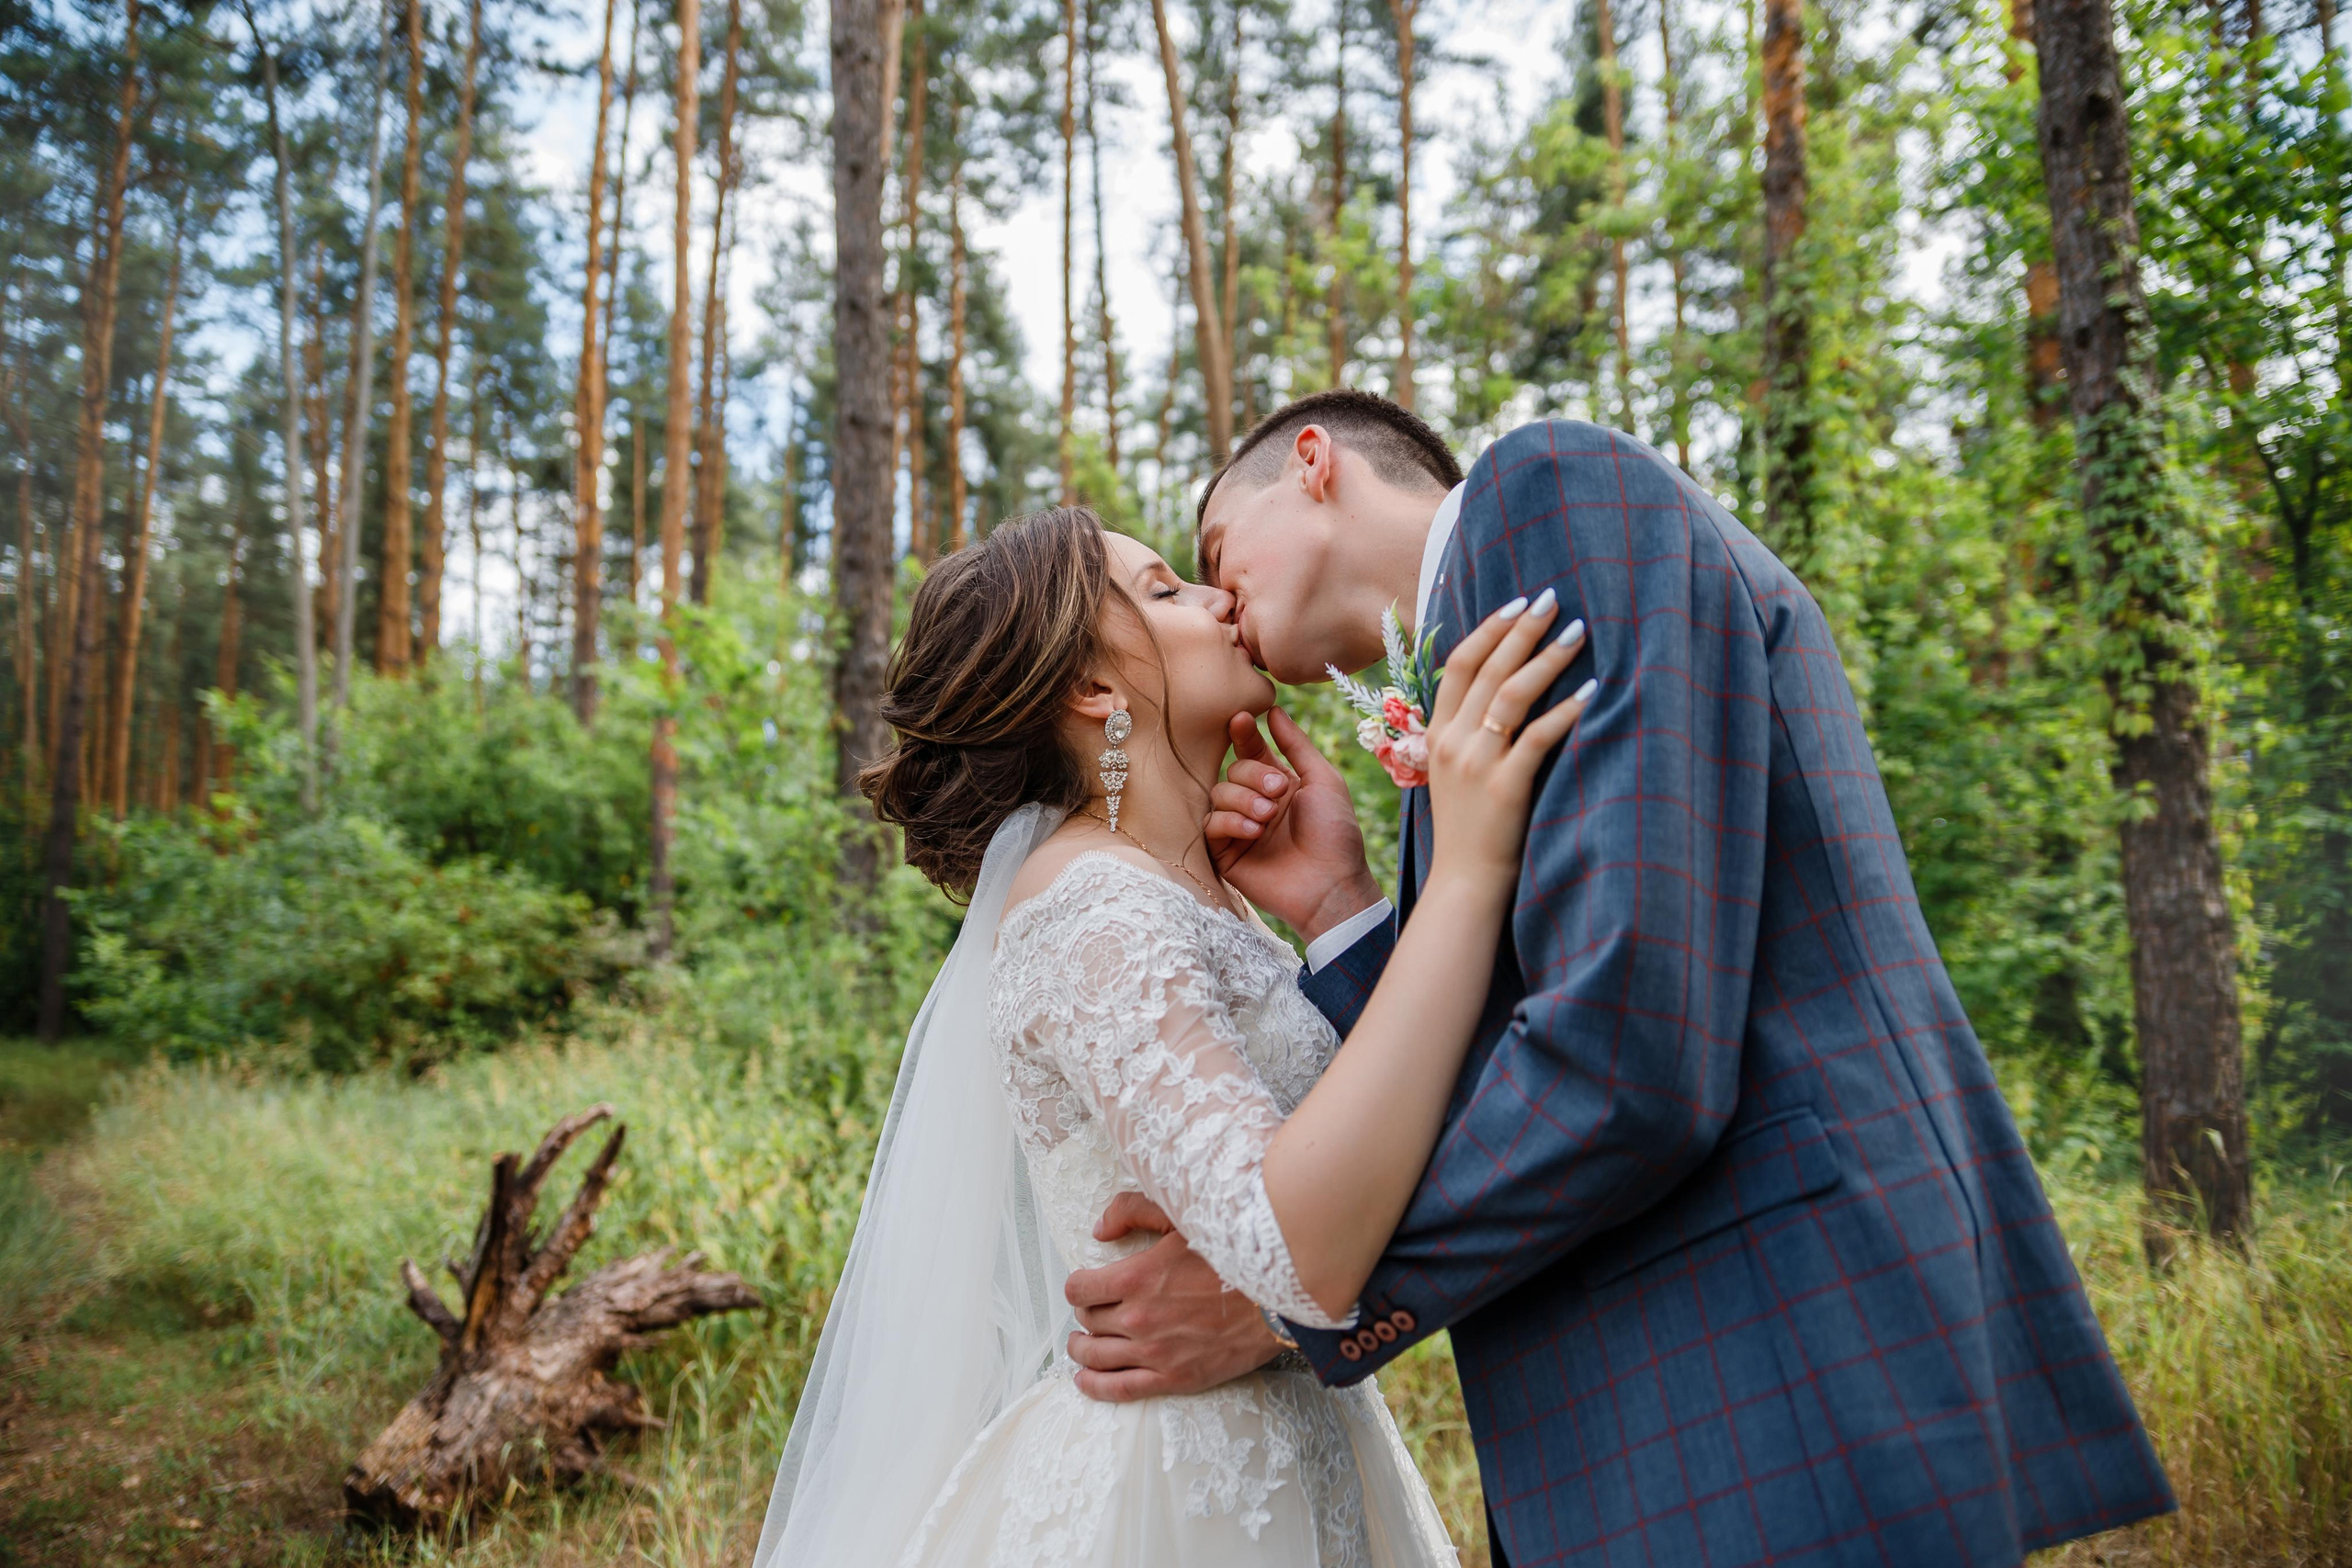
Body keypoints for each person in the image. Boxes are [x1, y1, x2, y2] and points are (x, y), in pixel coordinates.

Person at [1059, 391, 2177, 1568]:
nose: (1217, 599)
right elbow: (1510, 1049)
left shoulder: (1548, 496)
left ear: (1312, 462)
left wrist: (1293, 1294)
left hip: (1772, 1369)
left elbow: (1629, 1049)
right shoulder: (1477, 670)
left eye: (1213, 552)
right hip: (1685, 1407)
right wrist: (1341, 908)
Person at [752, 505, 1596, 1567]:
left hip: (1291, 1439)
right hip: (1176, 1485)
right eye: (1164, 590)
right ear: (1091, 689)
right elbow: (1283, 1247)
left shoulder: (1200, 900)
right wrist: (1469, 870)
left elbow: (1406, 1142)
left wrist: (1336, 904)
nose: (1216, 597)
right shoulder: (1092, 907)